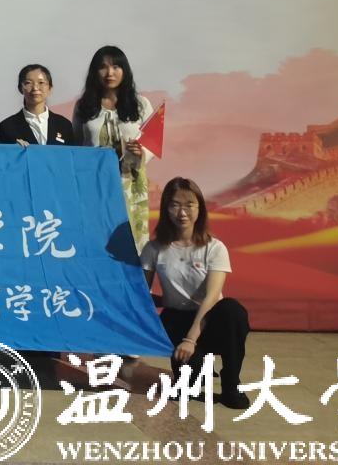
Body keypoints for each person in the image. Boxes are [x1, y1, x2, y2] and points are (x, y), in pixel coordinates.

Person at [141, 177, 251, 410]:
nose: (182, 212)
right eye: (174, 205)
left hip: (210, 319)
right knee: (184, 391)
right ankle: (198, 368)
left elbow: (212, 296)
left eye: (189, 205)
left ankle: (231, 383)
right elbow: (141, 294)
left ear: (199, 208)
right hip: (176, 319)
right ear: (165, 209)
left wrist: (190, 339)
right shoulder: (154, 248)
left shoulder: (214, 248)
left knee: (232, 310)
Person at [72, 46, 154, 249]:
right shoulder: (84, 106)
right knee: (96, 237)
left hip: (131, 183)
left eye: (116, 66)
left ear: (125, 70)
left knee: (133, 240)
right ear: (95, 72)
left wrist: (141, 152)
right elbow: (76, 144)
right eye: (103, 67)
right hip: (94, 183)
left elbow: (152, 142)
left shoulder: (141, 104)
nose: (110, 73)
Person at [0, 64, 76, 146]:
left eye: (41, 82)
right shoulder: (7, 127)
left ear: (50, 88)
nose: (35, 88)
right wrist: (13, 149)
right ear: (20, 88)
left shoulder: (64, 125)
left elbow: (72, 153)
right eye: (28, 83)